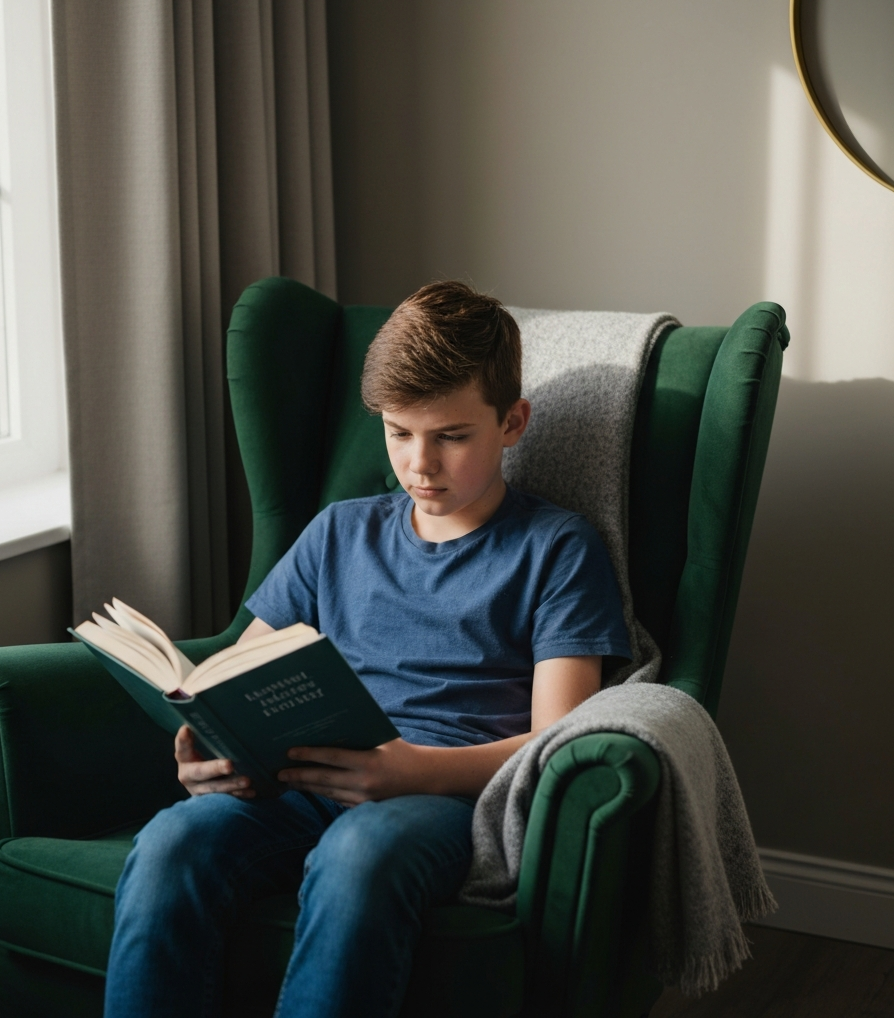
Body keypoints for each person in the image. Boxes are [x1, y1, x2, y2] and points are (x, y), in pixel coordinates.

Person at [103, 281, 631, 1018]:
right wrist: (214, 746)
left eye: (451, 436)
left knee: (359, 858)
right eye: (398, 433)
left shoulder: (557, 550)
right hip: (302, 779)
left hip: (441, 793)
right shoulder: (338, 533)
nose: (420, 464)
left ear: (512, 423)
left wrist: (411, 770)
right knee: (172, 843)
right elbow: (240, 671)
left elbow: (554, 743)